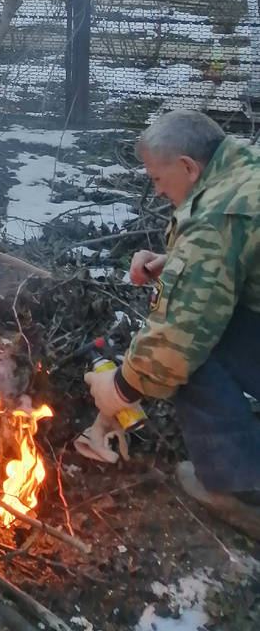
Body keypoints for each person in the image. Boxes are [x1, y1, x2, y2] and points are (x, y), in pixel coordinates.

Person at [85, 109, 260, 538]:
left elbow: (177, 341)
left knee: (193, 351)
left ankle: (241, 490)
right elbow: (233, 250)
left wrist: (119, 390)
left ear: (188, 166)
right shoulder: (243, 168)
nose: (158, 191)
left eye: (159, 179)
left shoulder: (220, 217)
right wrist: (176, 263)